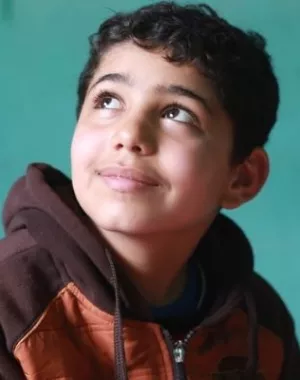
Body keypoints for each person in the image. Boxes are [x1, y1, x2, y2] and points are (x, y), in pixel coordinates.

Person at [0, 1, 299, 379]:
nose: (128, 135)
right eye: (108, 101)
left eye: (177, 113)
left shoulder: (261, 325)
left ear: (241, 178)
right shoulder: (12, 304)